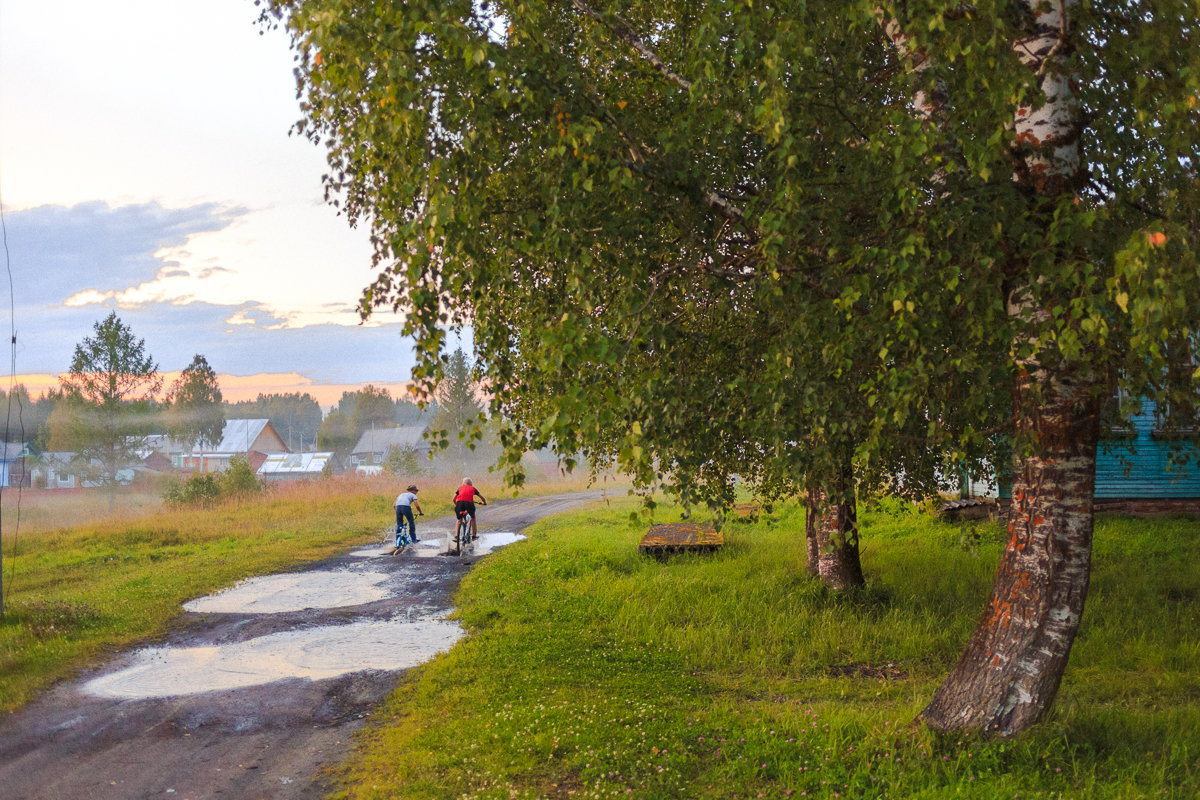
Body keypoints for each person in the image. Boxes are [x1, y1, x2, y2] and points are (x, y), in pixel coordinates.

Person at [388, 485, 424, 555]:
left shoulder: (401, 494)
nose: (416, 492)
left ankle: (397, 543)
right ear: (413, 490)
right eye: (416, 491)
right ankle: (413, 540)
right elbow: (416, 505)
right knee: (411, 523)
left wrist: (398, 511)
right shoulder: (413, 495)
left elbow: (394, 505)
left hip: (398, 508)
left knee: (399, 524)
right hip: (406, 507)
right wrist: (420, 512)